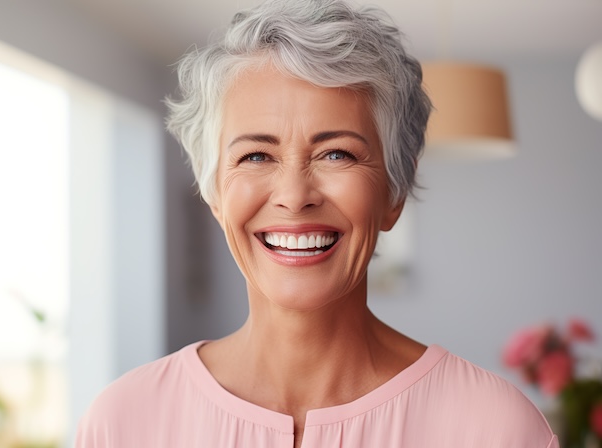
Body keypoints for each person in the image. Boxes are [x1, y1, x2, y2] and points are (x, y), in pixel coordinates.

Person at [75, 0, 558, 446]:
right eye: (257, 155)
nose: (294, 196)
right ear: (214, 193)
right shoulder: (124, 421)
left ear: (394, 192)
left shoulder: (495, 428)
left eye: (336, 153)